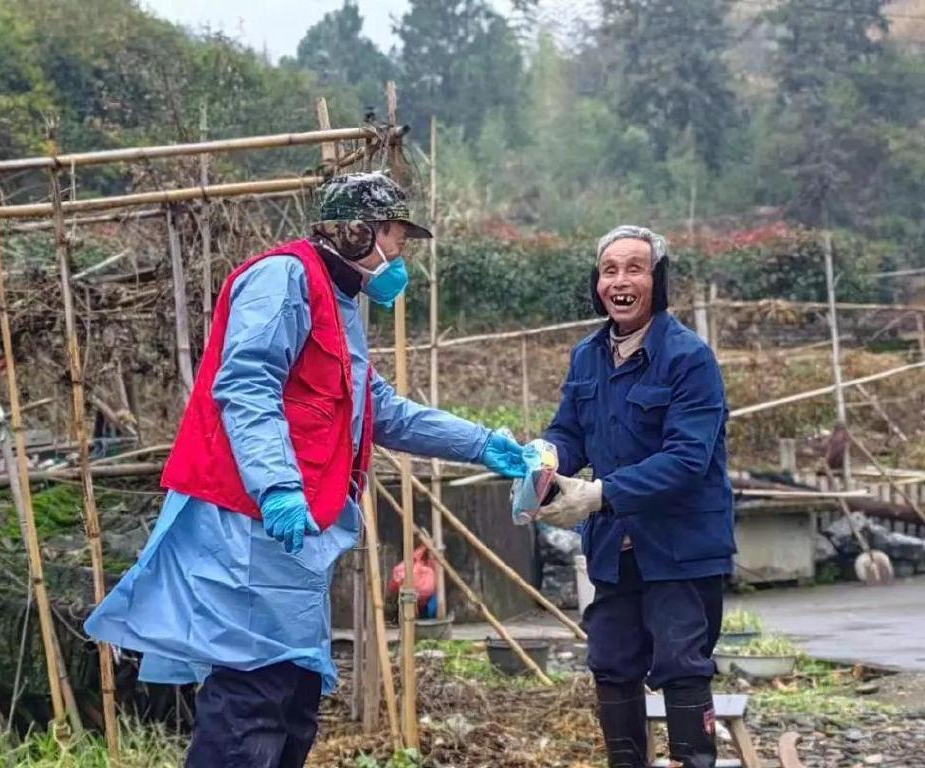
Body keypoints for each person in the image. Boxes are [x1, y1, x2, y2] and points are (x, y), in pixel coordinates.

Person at [85, 172, 526, 767]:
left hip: (292, 539)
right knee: (253, 700)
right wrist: (278, 486)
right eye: (395, 239)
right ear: (357, 232)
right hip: (246, 525)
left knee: (294, 703)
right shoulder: (283, 279)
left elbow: (380, 409)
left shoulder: (340, 308)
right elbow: (248, 382)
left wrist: (484, 444)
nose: (400, 256)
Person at [534, 226, 734, 768]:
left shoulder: (689, 359)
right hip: (614, 547)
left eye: (634, 269)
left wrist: (600, 494)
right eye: (609, 270)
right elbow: (569, 432)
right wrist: (544, 462)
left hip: (680, 547)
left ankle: (694, 760)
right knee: (611, 661)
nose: (619, 281)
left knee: (681, 663)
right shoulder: (587, 356)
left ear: (657, 281)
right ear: (596, 283)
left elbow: (687, 459)